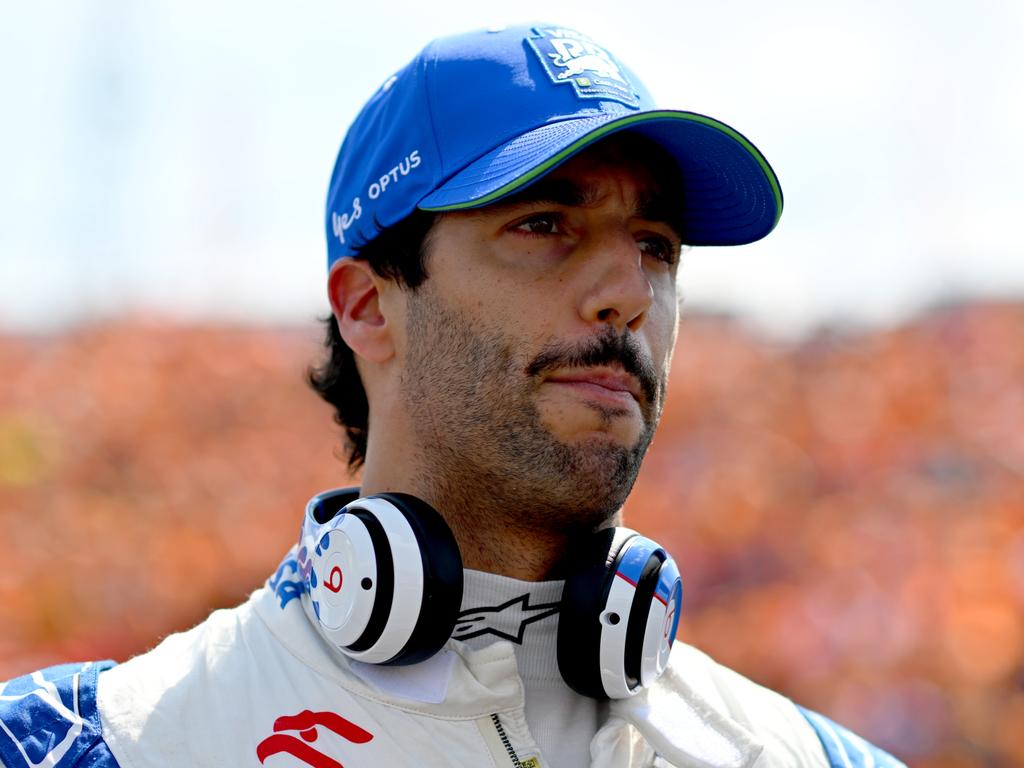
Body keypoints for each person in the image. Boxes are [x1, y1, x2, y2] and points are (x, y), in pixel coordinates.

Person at [0, 23, 906, 768]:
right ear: (368, 308)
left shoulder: (805, 757)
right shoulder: (92, 743)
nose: (629, 291)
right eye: (545, 223)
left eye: (657, 244)